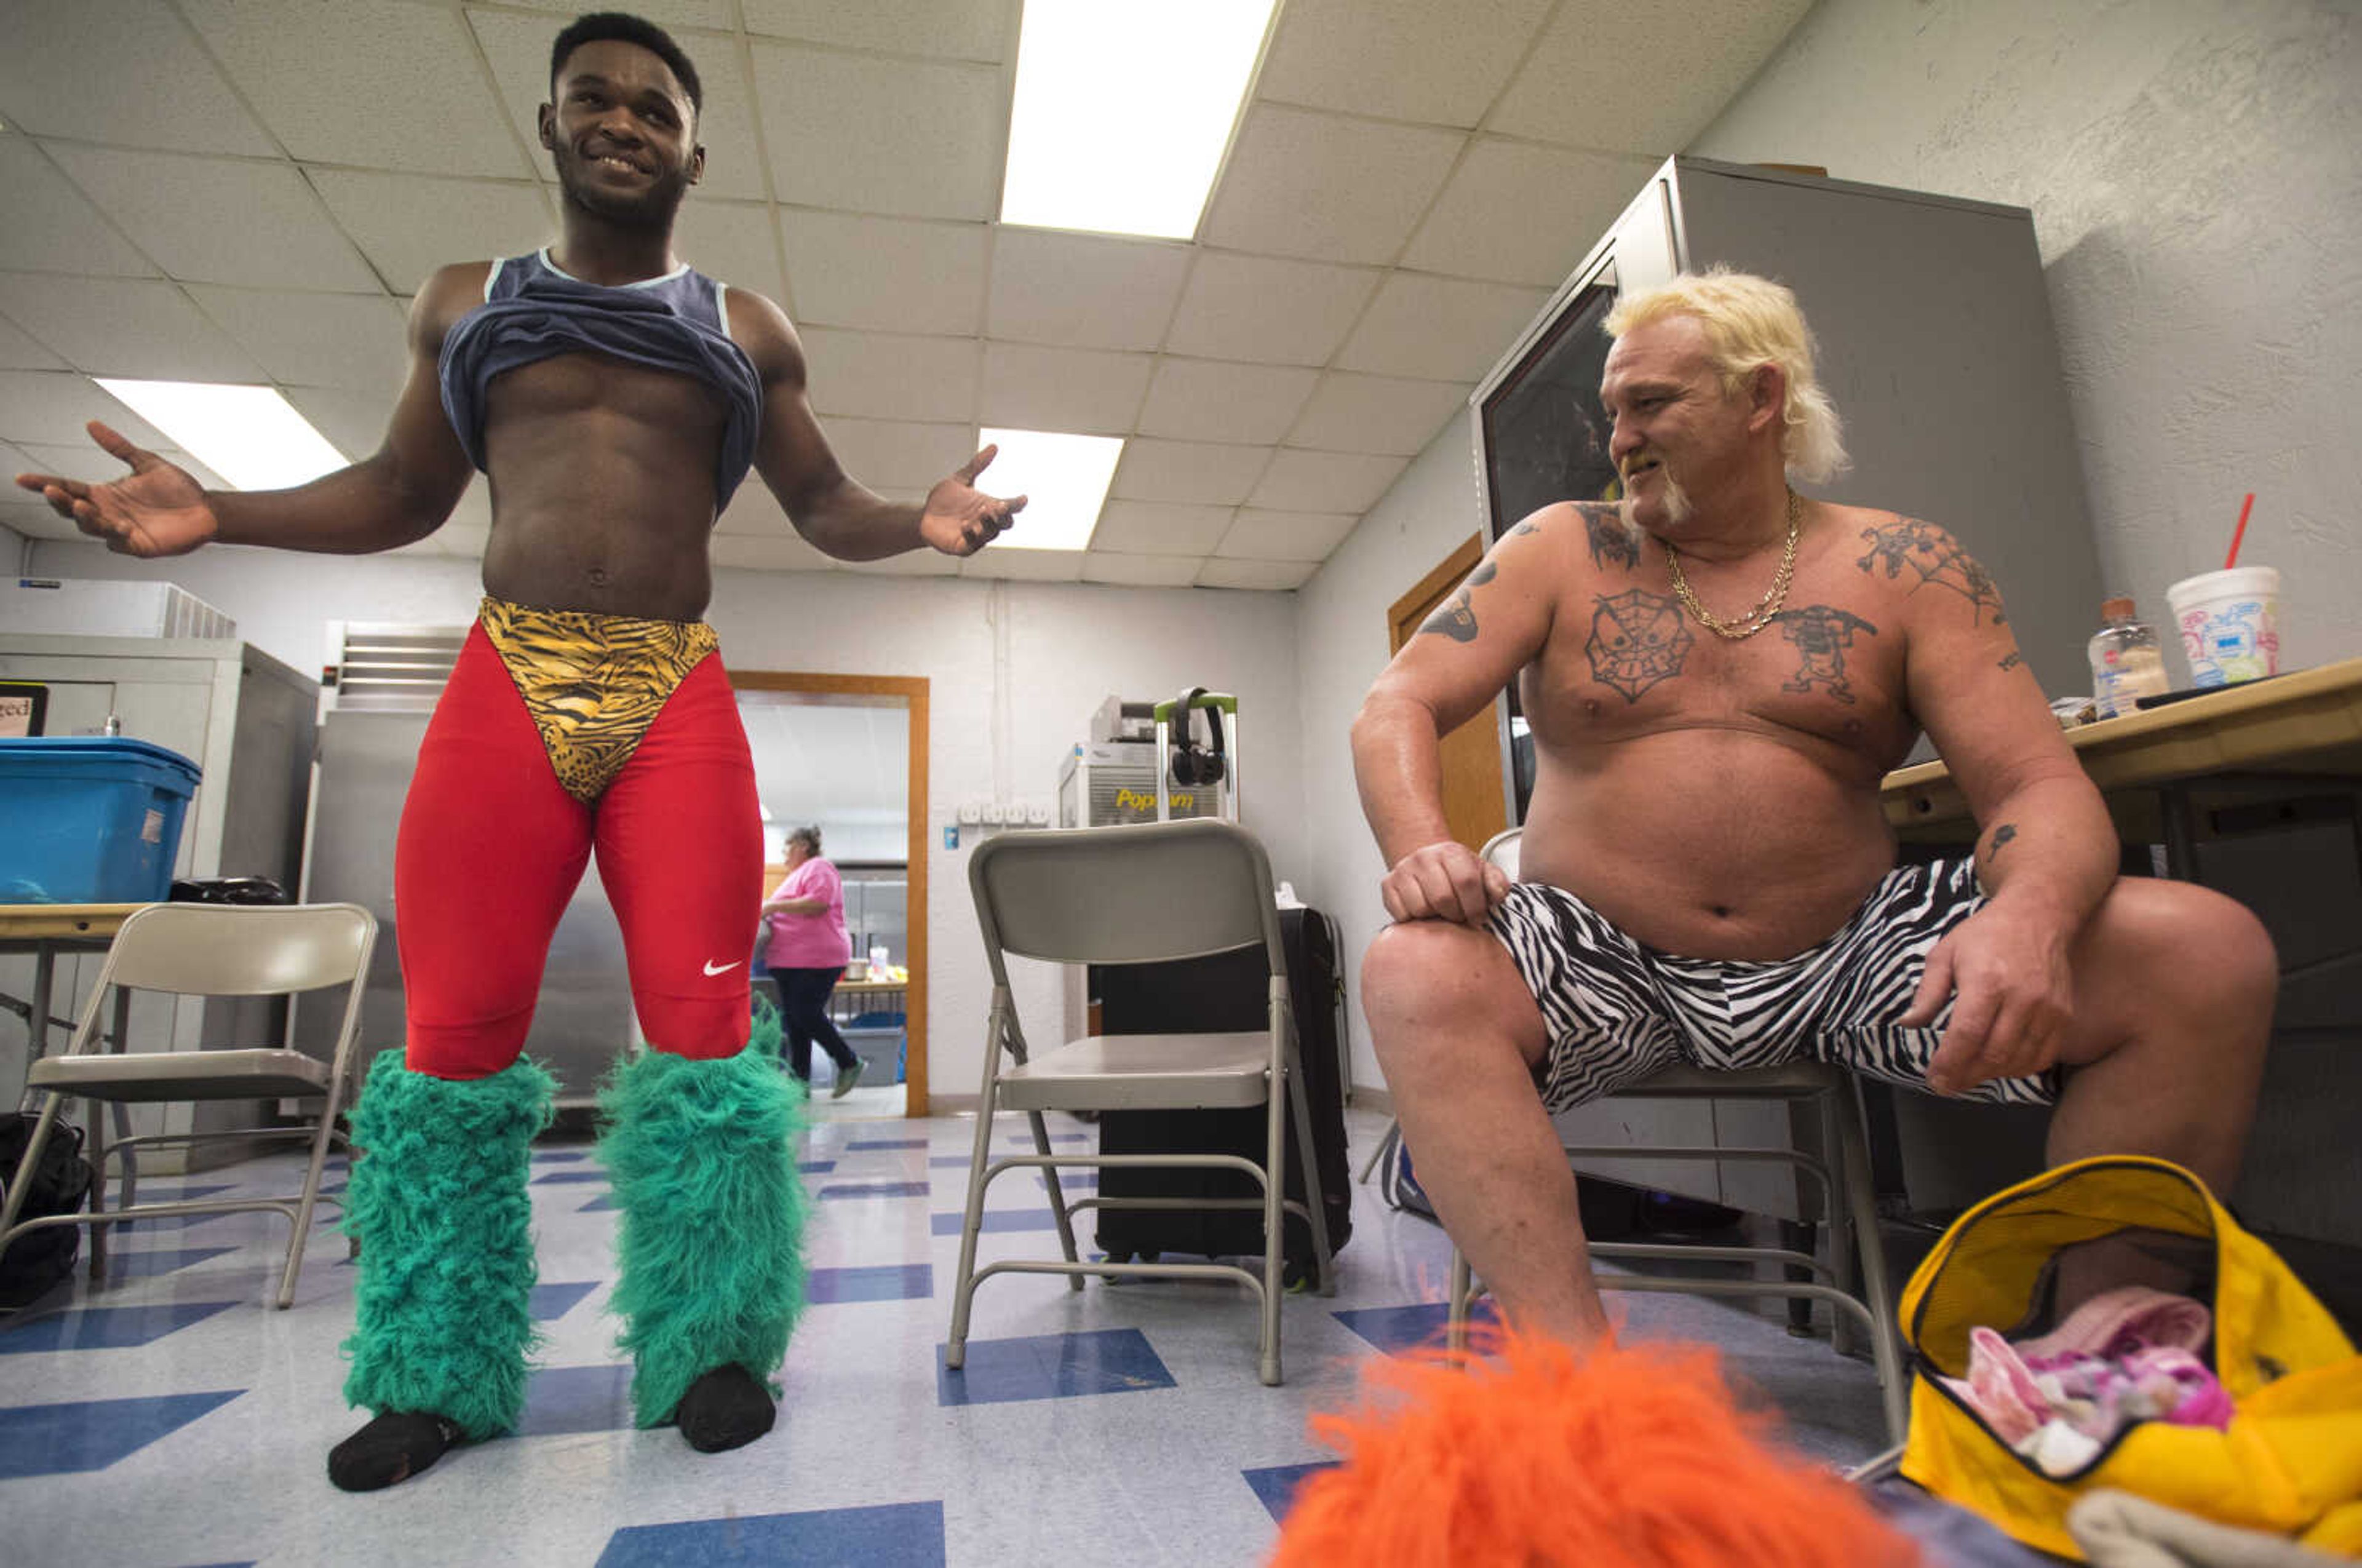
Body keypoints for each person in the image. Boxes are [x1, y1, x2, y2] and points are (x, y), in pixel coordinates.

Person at [15, 10, 1022, 1490]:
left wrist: (914, 524)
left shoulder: (747, 326)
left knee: (705, 1048)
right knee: (449, 1045)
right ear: (551, 129)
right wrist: (215, 509)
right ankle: (435, 1375)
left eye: (654, 108)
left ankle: (713, 1348)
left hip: (673, 691)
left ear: (695, 147)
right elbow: (400, 491)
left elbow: (823, 504)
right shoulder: (463, 301)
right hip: (510, 684)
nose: (622, 122)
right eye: (592, 101)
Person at [1351, 269, 2277, 1348]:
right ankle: (1579, 1385)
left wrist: (2027, 917)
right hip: (1603, 960)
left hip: (1847, 952)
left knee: (2205, 951)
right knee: (1413, 964)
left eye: (1651, 404)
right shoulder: (1563, 548)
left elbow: (2037, 785)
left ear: (1760, 400)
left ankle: (2097, 1354)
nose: (1620, 439)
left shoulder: (1906, 565)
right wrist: (1422, 846)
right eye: (1614, 412)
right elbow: (1398, 702)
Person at [761, 826, 865, 1097]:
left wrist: (771, 907)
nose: (785, 857)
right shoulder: (795, 877)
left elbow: (819, 903)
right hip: (790, 961)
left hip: (815, 958)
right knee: (796, 1023)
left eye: (788, 849)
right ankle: (800, 1084)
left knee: (805, 1014)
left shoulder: (819, 867)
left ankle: (848, 1061)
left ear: (803, 847)